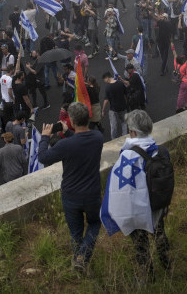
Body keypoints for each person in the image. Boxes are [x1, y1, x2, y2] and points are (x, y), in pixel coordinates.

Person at [101, 109, 172, 280]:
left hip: (139, 209)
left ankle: (147, 275)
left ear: (132, 132)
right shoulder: (161, 151)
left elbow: (120, 190)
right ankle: (169, 266)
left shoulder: (128, 156)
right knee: (160, 234)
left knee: (140, 243)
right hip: (158, 204)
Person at [38, 101, 104, 273]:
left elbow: (43, 157)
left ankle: (78, 259)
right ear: (87, 119)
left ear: (72, 121)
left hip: (71, 195)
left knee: (75, 231)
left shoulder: (65, 146)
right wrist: (69, 132)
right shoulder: (98, 138)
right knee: (95, 223)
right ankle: (82, 257)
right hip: (92, 193)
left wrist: (45, 136)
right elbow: (81, 141)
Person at [101, 72, 128, 140]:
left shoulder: (108, 87)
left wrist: (103, 110)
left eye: (104, 80)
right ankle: (125, 137)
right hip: (123, 107)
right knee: (124, 122)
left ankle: (114, 139)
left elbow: (106, 100)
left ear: (107, 78)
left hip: (113, 109)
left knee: (113, 125)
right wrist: (126, 103)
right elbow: (125, 94)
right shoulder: (120, 83)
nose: (104, 81)